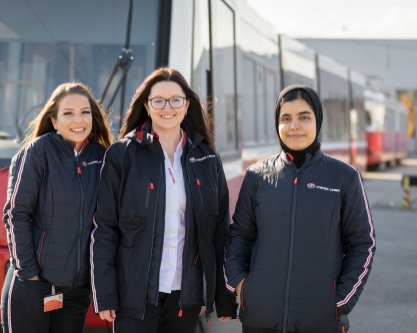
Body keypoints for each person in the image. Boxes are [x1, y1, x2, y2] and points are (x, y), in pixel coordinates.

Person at [90, 68, 238, 332]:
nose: (166, 107)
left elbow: (220, 233)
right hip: (133, 295)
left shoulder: (207, 159)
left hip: (185, 295)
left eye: (175, 100)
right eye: (158, 100)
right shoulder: (121, 155)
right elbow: (105, 228)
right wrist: (105, 292)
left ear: (187, 104)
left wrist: (224, 298)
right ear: (147, 106)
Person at [224, 85, 375, 333]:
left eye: (304, 117)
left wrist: (339, 302)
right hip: (260, 320)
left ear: (317, 121)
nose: (294, 126)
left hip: (321, 322)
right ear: (277, 124)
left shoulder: (344, 177)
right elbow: (239, 235)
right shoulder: (257, 176)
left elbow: (362, 244)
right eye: (286, 118)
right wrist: (242, 285)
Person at [0, 82, 113, 332]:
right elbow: (16, 214)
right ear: (54, 120)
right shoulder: (36, 152)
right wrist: (29, 273)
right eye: (68, 113)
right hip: (33, 286)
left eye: (85, 112)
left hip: (75, 291)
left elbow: (108, 223)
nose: (78, 120)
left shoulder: (102, 156)